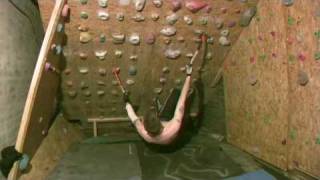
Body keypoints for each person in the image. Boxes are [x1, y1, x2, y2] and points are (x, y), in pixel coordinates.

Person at [124, 65, 194, 145]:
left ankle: (161, 110)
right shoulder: (174, 127)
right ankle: (163, 110)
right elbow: (181, 104)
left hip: (157, 142)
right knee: (177, 94)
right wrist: (188, 76)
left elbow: (134, 118)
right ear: (160, 125)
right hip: (172, 139)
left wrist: (127, 102)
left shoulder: (144, 133)